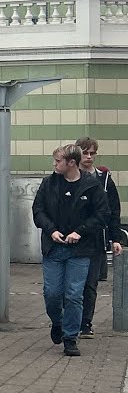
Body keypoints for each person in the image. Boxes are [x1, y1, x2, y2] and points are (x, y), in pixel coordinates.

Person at [32, 143, 109, 357]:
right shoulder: (48, 184)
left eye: (58, 161)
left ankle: (70, 337)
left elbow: (102, 214)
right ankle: (58, 322)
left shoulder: (91, 186)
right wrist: (51, 230)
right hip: (54, 248)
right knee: (52, 293)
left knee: (74, 294)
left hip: (80, 250)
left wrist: (80, 232)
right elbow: (38, 210)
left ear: (71, 163)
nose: (54, 165)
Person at [75, 137, 124, 338]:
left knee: (91, 282)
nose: (88, 157)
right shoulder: (69, 176)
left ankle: (85, 322)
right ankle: (71, 320)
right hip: (74, 237)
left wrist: (116, 238)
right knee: (73, 283)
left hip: (97, 238)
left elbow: (113, 210)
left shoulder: (103, 179)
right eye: (85, 153)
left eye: (92, 153)